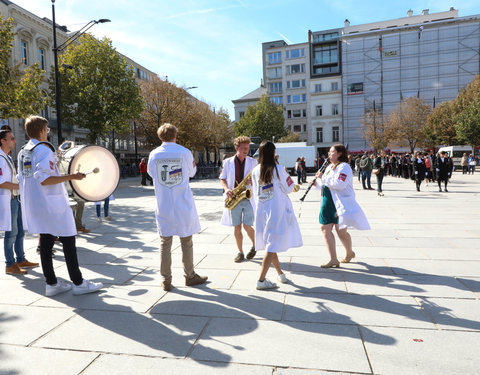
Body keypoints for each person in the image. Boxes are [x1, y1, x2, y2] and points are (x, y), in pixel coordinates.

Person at [17, 116, 103, 296]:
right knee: (69, 240)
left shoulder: (24, 150)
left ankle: (51, 283)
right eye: (47, 130)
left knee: (47, 242)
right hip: (52, 204)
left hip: (36, 204)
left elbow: (26, 177)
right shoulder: (42, 149)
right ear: (42, 131)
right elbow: (45, 178)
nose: (47, 134)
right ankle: (78, 283)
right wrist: (72, 176)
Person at [147, 123, 207, 291]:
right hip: (182, 204)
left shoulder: (154, 154)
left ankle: (166, 279)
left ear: (160, 137)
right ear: (175, 135)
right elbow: (192, 173)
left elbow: (151, 174)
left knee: (165, 242)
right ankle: (190, 275)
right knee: (186, 241)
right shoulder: (184, 152)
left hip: (164, 204)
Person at [251, 141, 302, 289]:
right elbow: (290, 188)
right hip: (276, 210)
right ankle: (261, 280)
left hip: (262, 210)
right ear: (273, 153)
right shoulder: (278, 169)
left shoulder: (255, 170)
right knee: (272, 245)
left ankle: (280, 273)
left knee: (270, 242)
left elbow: (255, 192)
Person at [313, 144, 370, 268]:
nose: (329, 153)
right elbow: (325, 185)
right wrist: (316, 184)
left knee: (341, 231)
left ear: (339, 153)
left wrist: (323, 177)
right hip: (327, 202)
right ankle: (333, 259)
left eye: (332, 151)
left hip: (340, 203)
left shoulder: (344, 167)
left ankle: (349, 252)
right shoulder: (328, 167)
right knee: (325, 229)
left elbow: (339, 184)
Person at [0, 129, 39, 275]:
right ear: (2, 141)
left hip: (15, 197)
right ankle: (10, 264)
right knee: (11, 233)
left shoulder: (7, 157)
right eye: (11, 138)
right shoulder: (0, 158)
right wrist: (21, 187)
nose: (14, 141)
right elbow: (1, 182)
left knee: (20, 231)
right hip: (8, 199)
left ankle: (20, 259)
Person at [220, 136, 258, 263]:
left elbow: (260, 180)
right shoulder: (227, 162)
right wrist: (226, 189)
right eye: (243, 148)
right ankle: (240, 252)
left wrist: (252, 181)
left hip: (247, 196)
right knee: (237, 226)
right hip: (234, 197)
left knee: (248, 225)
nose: (246, 150)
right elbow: (222, 178)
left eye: (247, 148)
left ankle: (255, 245)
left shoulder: (253, 162)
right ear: (236, 148)